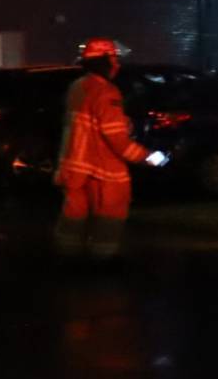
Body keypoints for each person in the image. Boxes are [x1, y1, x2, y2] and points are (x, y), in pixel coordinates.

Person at [54, 38, 155, 261]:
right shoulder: (107, 93)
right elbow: (118, 141)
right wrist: (150, 158)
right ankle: (102, 274)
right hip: (104, 175)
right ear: (105, 61)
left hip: (74, 171)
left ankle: (66, 271)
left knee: (72, 226)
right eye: (114, 58)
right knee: (107, 227)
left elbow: (85, 127)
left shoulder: (77, 87)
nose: (117, 63)